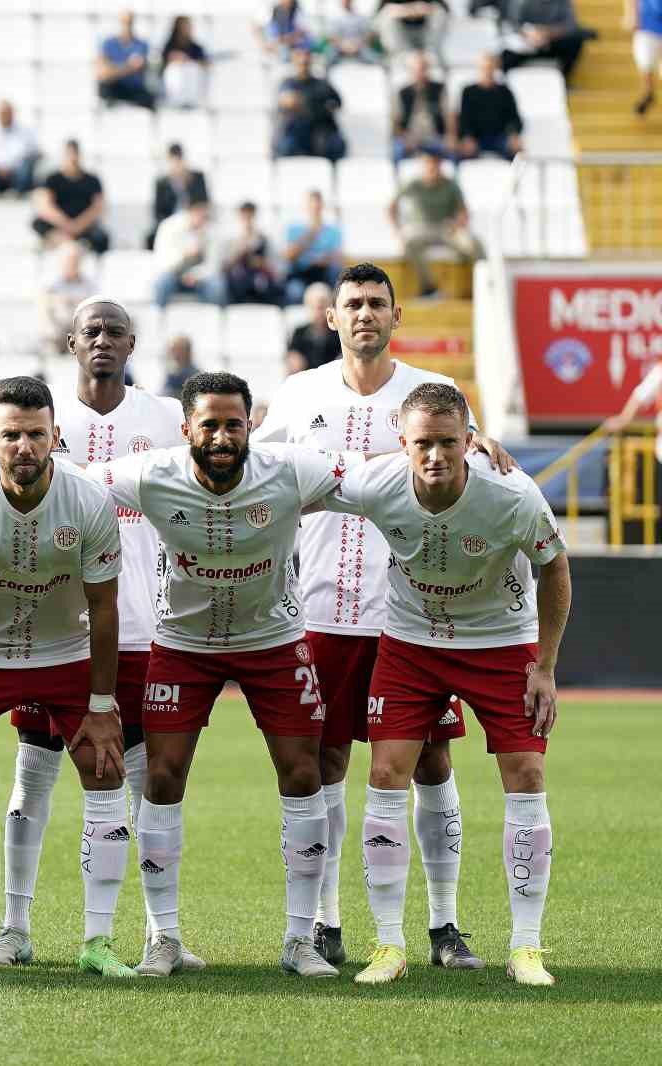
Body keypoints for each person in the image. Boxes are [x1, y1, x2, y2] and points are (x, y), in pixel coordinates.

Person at [254, 261, 516, 969]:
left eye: (377, 303)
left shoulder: (434, 395)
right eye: (353, 304)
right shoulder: (299, 395)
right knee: (327, 760)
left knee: (432, 760)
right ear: (331, 319)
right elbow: (248, 466)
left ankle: (444, 924)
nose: (365, 313)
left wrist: (487, 443)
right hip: (323, 610)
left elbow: (478, 461)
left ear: (396, 317)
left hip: (416, 615)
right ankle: (330, 922)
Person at [0, 300, 208, 974]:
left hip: (147, 620)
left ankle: (159, 933)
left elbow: (218, 462)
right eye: (91, 331)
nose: (103, 342)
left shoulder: (158, 417)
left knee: (144, 778)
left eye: (115, 332)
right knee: (34, 773)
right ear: (70, 342)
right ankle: (14, 927)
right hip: (59, 632)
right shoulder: (35, 419)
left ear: (132, 343)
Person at [92, 370, 348, 979]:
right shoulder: (151, 473)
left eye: (234, 423)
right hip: (183, 644)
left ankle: (299, 940)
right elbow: (65, 480)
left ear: (250, 425)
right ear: (186, 429)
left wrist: (465, 445)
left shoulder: (288, 469)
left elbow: (374, 474)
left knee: (304, 771)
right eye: (209, 424)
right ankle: (165, 939)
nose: (223, 435)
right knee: (161, 773)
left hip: (274, 640)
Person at [325, 382, 569, 987]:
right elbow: (295, 485)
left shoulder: (512, 495)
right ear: (402, 443)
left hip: (499, 641)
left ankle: (527, 948)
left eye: (449, 443)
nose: (435, 456)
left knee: (527, 775)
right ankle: (387, 946)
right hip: (411, 645)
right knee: (384, 776)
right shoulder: (375, 483)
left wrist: (544, 666)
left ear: (470, 441)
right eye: (423, 444)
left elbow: (555, 568)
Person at [0, 375, 128, 979]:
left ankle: (98, 941)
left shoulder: (88, 501)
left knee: (104, 763)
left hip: (64, 652)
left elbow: (105, 605)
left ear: (56, 436)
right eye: (11, 435)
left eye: (36, 434)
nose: (25, 446)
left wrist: (101, 704)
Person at [389, 147, 481, 299]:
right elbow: (391, 207)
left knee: (472, 244)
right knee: (408, 242)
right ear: (423, 165)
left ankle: (482, 286)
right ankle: (429, 287)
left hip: (446, 228)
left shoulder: (451, 185)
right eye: (429, 163)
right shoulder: (413, 184)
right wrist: (397, 229)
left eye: (435, 163)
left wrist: (457, 225)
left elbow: (464, 212)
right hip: (420, 228)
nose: (432, 167)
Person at [32, 140, 109, 254]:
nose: (72, 158)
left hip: (84, 226)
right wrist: (66, 224)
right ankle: (66, 241)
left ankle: (64, 242)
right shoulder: (53, 179)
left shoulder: (92, 180)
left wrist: (78, 225)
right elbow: (45, 206)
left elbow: (97, 208)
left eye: (75, 154)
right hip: (60, 225)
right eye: (69, 154)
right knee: (37, 223)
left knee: (101, 238)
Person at [275, 47, 346, 161]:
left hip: (320, 131)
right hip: (297, 131)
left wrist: (308, 102)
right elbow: (287, 101)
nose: (303, 63)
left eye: (306, 60)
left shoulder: (322, 84)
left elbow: (337, 103)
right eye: (300, 60)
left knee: (335, 146)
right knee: (286, 146)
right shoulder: (288, 83)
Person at [152, 199, 225, 308]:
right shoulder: (170, 226)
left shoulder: (211, 231)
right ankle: (158, 320)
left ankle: (210, 321)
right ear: (189, 210)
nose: (201, 217)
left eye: (204, 213)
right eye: (198, 211)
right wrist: (184, 256)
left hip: (200, 278)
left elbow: (213, 265)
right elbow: (162, 260)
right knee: (161, 283)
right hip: (174, 274)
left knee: (217, 286)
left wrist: (196, 276)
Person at [457, 52, 524, 159]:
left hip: (500, 137)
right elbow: (464, 119)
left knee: (518, 151)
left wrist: (514, 134)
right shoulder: (468, 91)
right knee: (460, 152)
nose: (487, 71)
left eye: (490, 68)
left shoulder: (505, 92)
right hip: (476, 139)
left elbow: (514, 118)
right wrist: (467, 137)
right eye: (484, 68)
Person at [282, 189, 343, 304]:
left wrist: (321, 259)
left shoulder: (333, 230)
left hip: (324, 273)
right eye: (312, 205)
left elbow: (337, 258)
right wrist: (311, 233)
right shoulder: (293, 229)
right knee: (295, 291)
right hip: (301, 273)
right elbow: (289, 256)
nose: (315, 209)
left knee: (338, 281)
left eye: (317, 205)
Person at [37, 240, 97, 356]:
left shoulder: (89, 284)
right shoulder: (50, 284)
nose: (72, 264)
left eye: (75, 261)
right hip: (59, 329)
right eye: (69, 261)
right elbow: (45, 308)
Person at [500, 0, 588, 77]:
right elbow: (511, 23)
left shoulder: (561, 2)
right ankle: (503, 85)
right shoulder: (519, 2)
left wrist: (546, 33)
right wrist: (529, 34)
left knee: (574, 42)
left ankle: (563, 80)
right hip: (525, 42)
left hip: (551, 42)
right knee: (503, 50)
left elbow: (570, 25)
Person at [393, 52, 451, 163]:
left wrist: (450, 136)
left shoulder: (439, 89)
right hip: (410, 137)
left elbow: (448, 116)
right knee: (397, 151)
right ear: (410, 71)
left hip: (435, 136)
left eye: (423, 69)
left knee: (453, 152)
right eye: (416, 69)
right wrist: (405, 138)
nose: (419, 72)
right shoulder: (402, 92)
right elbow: (396, 121)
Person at [150, 144, 209, 251]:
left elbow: (203, 203)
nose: (176, 165)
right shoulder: (162, 183)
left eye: (179, 160)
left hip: (194, 221)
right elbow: (158, 213)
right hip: (172, 224)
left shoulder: (197, 177)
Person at [0, 99, 40, 197]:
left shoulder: (25, 131)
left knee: (27, 163)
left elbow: (35, 152)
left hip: (17, 174)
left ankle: (16, 191)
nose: (4, 116)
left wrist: (12, 168)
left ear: (13, 113)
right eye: (2, 113)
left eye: (7, 112)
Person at [223, 201, 282, 306]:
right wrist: (240, 250)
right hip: (239, 281)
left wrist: (261, 263)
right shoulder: (231, 240)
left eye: (250, 216)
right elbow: (226, 267)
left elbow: (274, 267)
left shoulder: (264, 239)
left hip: (259, 279)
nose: (247, 220)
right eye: (244, 217)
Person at [97, 10, 155, 109]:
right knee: (103, 88)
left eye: (130, 22)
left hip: (134, 89)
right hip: (114, 88)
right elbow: (103, 74)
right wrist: (129, 67)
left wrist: (115, 69)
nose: (127, 26)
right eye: (125, 22)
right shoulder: (108, 43)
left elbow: (143, 68)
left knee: (151, 98)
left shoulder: (141, 44)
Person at [285, 282, 340, 372]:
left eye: (321, 307)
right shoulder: (299, 332)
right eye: (312, 306)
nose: (317, 311)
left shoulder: (338, 333)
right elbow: (293, 358)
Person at [376, 0, 450, 62]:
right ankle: (398, 56)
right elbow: (380, 13)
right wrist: (407, 10)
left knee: (440, 13)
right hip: (400, 34)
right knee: (386, 16)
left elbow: (445, 9)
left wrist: (426, 8)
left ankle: (431, 56)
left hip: (425, 32)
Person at [160, 16, 209, 109]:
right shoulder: (169, 46)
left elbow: (204, 62)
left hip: (191, 82)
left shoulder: (196, 47)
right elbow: (163, 62)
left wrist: (188, 60)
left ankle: (191, 99)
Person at [631, 0, 662, 114]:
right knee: (645, 61)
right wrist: (634, 17)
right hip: (647, 26)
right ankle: (649, 91)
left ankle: (649, 92)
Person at [326, 0, 377, 64]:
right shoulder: (335, 18)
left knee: (372, 57)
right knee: (329, 57)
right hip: (340, 47)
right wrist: (343, 46)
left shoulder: (361, 17)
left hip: (359, 46)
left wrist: (357, 46)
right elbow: (331, 36)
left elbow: (368, 35)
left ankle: (383, 68)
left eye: (348, 1)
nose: (346, 2)